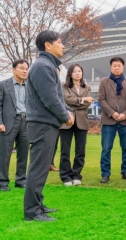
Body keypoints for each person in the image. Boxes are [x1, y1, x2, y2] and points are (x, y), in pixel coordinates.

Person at [24, 30, 74, 222]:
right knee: (38, 168)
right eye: (60, 42)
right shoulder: (43, 66)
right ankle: (32, 211)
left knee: (42, 167)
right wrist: (65, 116)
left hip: (46, 124)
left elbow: (57, 96)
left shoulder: (47, 66)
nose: (63, 46)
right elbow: (50, 99)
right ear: (47, 45)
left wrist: (66, 110)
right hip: (42, 124)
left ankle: (38, 204)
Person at [98, 57, 126, 183]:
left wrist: (125, 114)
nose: (116, 68)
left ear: (123, 67)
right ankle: (105, 173)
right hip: (109, 121)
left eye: (119, 65)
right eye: (114, 65)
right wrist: (112, 113)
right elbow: (101, 99)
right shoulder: (104, 82)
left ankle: (125, 171)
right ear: (110, 67)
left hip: (125, 121)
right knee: (106, 148)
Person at [59, 64, 93, 186]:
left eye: (80, 71)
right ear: (70, 74)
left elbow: (87, 105)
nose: (78, 73)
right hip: (66, 121)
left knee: (80, 151)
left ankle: (76, 174)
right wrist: (83, 99)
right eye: (75, 71)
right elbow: (66, 100)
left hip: (82, 122)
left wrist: (79, 102)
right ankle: (65, 176)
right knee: (65, 151)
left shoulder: (87, 87)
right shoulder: (64, 87)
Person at [0, 59, 29, 191]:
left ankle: (21, 180)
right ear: (13, 69)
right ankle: (2, 182)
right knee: (4, 153)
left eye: (26, 69)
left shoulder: (29, 86)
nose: (24, 71)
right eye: (21, 68)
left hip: (26, 122)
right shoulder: (3, 85)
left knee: (23, 152)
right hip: (8, 123)